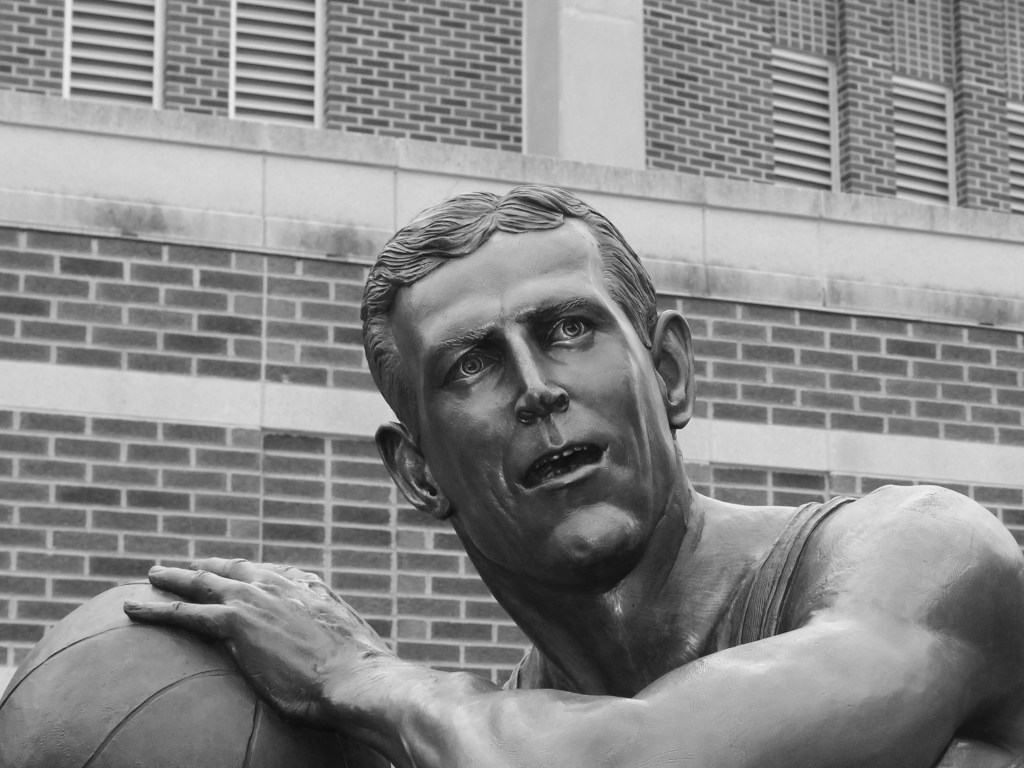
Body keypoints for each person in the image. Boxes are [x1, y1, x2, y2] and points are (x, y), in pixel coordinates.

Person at [125, 185, 1024, 768]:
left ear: (668, 372)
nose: (538, 389)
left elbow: (643, 760)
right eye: (472, 364)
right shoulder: (480, 735)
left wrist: (361, 677)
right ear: (417, 472)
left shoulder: (925, 557)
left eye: (569, 330)